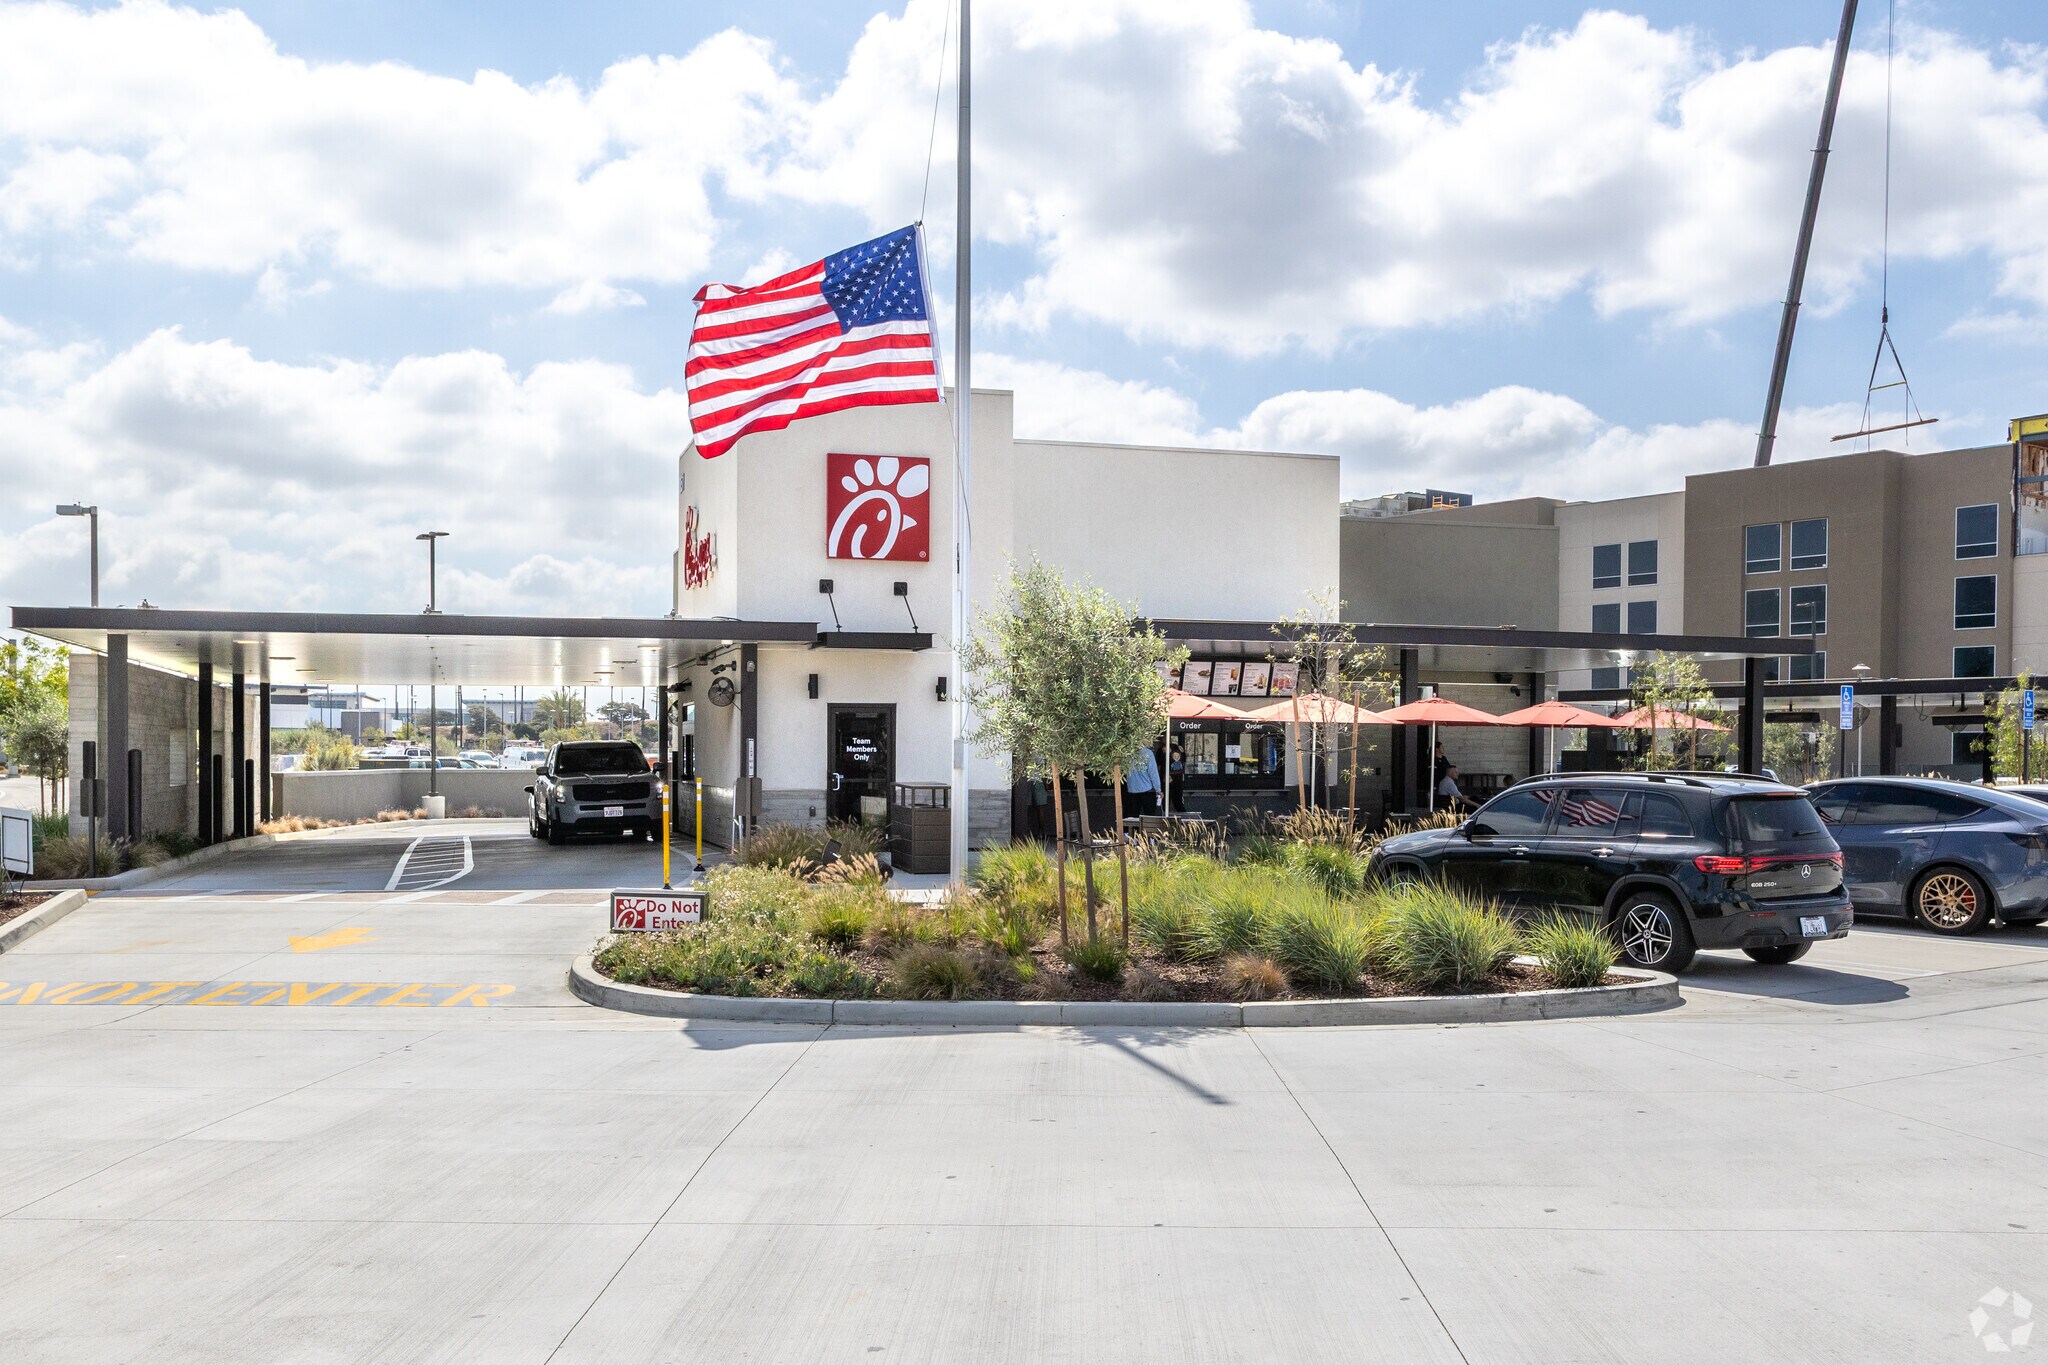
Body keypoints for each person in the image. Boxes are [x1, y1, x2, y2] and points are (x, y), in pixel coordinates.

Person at [1125, 746, 1162, 816]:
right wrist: (1158, 789)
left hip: (1132, 790)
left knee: (1132, 818)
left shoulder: (1127, 753)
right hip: (1147, 790)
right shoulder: (1148, 753)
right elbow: (1153, 773)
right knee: (1149, 818)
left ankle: (1134, 827)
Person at [1168, 743, 1188, 812]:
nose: (1176, 757)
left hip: (1178, 780)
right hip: (1172, 780)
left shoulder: (1180, 760)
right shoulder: (1170, 761)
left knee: (1178, 799)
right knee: (1173, 798)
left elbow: (1184, 760)